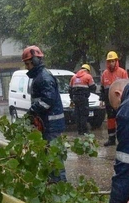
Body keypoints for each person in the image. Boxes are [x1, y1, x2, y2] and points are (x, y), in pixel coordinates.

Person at [22, 45, 67, 183]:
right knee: (48, 158)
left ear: (35, 61)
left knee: (54, 159)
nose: (27, 67)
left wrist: (32, 111)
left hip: (52, 126)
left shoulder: (44, 78)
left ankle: (60, 187)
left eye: (28, 64)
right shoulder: (39, 77)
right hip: (47, 125)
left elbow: (47, 101)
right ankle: (52, 185)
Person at [99, 51, 129, 146]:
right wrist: (102, 100)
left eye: (113, 61)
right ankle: (111, 139)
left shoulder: (122, 72)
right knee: (110, 120)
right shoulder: (105, 74)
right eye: (109, 61)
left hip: (120, 102)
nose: (111, 63)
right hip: (109, 102)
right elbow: (102, 88)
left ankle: (123, 139)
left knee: (121, 120)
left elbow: (127, 87)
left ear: (116, 61)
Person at [69, 64, 96, 135]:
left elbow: (70, 89)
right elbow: (93, 87)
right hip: (83, 98)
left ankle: (79, 130)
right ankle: (84, 131)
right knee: (84, 114)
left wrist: (72, 98)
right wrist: (88, 93)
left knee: (77, 114)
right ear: (87, 70)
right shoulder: (88, 76)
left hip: (75, 98)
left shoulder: (74, 77)